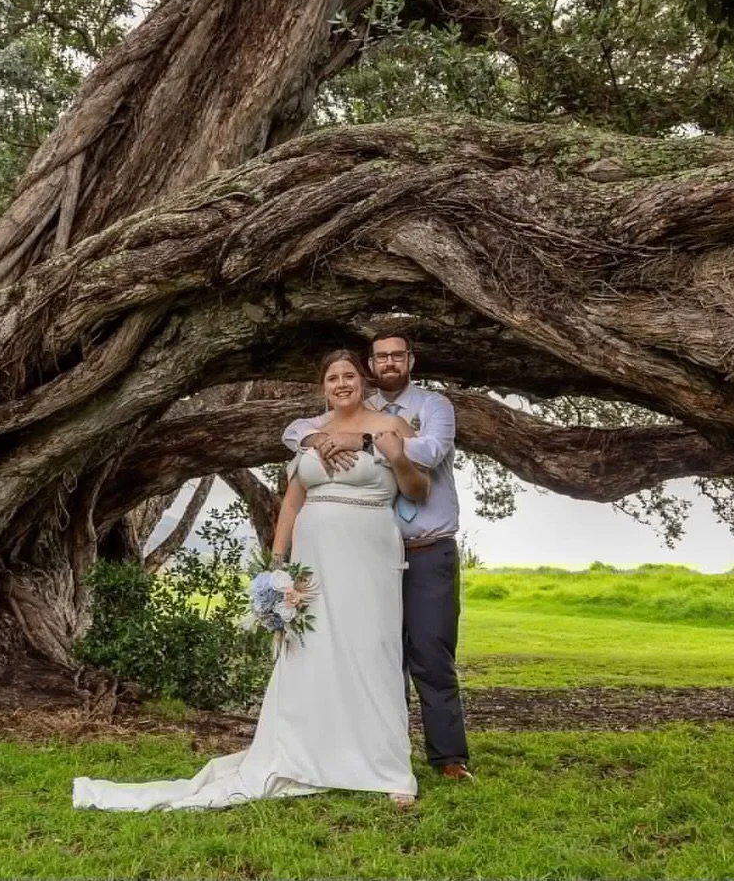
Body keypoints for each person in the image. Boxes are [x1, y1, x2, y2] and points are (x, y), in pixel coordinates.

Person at [72, 350, 428, 811]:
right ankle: (309, 755)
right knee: (312, 650)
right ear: (323, 386)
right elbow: (293, 503)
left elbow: (420, 489)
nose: (341, 384)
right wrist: (278, 563)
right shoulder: (309, 434)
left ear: (363, 381)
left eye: (349, 376)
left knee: (373, 648)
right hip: (313, 557)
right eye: (332, 377)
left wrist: (398, 459)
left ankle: (388, 770)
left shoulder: (391, 427)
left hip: (369, 552)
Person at [283, 331, 472, 781]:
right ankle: (380, 748)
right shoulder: (357, 412)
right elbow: (293, 432)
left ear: (411, 360)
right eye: (381, 357)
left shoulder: (431, 408)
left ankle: (448, 758)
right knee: (373, 652)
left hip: (426, 549)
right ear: (372, 366)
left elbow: (430, 451)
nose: (389, 363)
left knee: (430, 652)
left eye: (397, 356)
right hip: (368, 556)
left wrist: (363, 443)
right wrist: (315, 440)